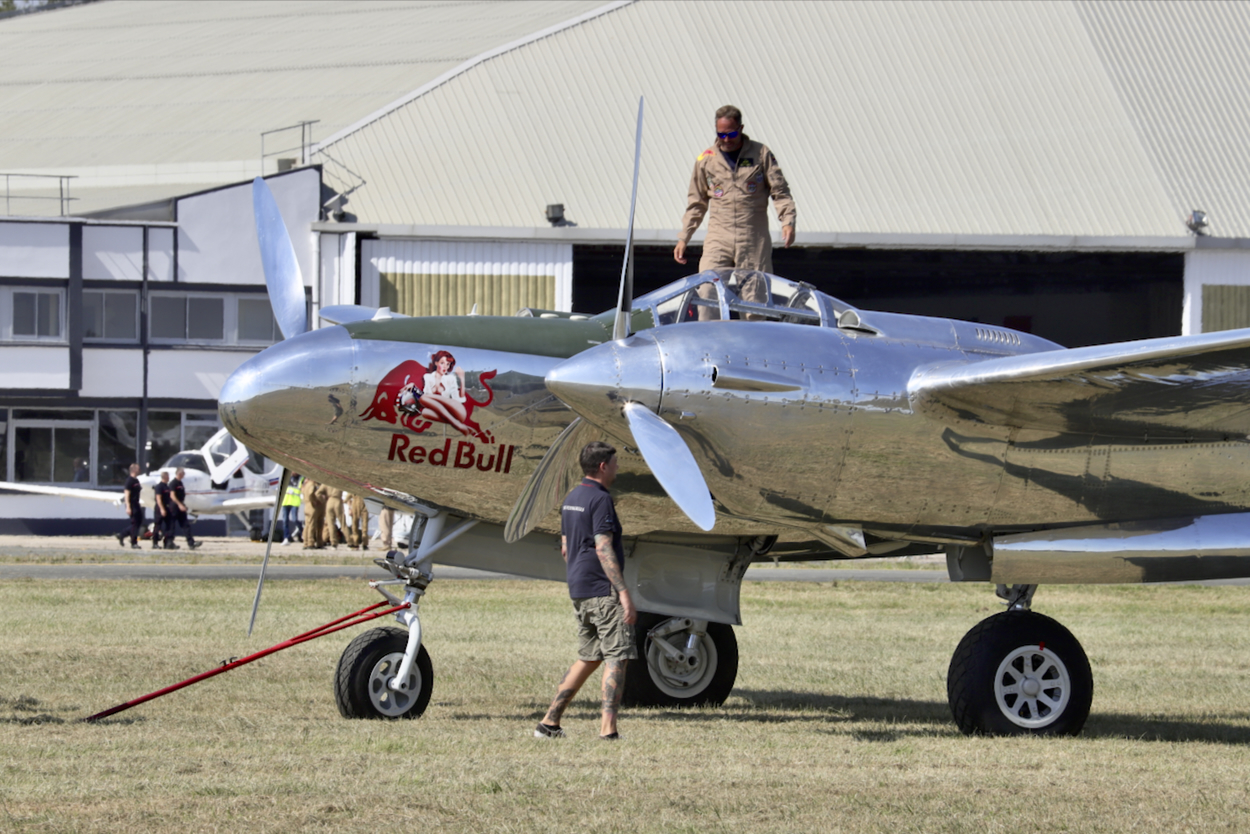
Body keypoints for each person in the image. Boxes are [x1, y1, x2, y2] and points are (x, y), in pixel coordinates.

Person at [535, 441, 637, 741]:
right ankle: (608, 731)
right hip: (602, 588)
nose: (618, 468)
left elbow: (566, 547)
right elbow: (603, 545)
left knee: (589, 656)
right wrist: (623, 592)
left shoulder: (572, 498)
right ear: (603, 466)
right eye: (615, 463)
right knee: (617, 656)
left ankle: (549, 723)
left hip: (578, 587)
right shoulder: (600, 499)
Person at [673, 105, 796, 320]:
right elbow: (697, 202)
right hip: (719, 234)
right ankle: (711, 343)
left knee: (754, 299)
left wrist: (787, 220)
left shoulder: (761, 154)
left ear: (741, 128)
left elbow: (780, 191)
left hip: (752, 236)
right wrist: (684, 237)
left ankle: (752, 345)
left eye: (731, 134)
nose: (726, 139)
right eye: (721, 134)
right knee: (706, 289)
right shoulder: (706, 159)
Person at [169, 468, 201, 550]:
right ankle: (169, 542)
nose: (184, 475)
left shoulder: (180, 483)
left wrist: (183, 505)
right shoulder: (173, 483)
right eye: (183, 473)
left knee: (185, 525)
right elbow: (172, 496)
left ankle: (191, 543)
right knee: (171, 525)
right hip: (175, 506)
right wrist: (179, 505)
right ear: (179, 474)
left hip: (181, 505)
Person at [115, 463, 144, 550]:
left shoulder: (136, 481)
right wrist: (128, 506)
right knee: (135, 523)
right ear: (134, 470)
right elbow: (126, 494)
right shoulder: (129, 481)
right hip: (131, 504)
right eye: (138, 469)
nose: (140, 470)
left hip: (137, 503)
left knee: (139, 522)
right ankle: (133, 543)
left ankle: (122, 534)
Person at [152, 470, 176, 549]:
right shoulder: (159, 487)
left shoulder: (167, 486)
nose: (169, 478)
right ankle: (155, 543)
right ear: (165, 477)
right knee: (158, 526)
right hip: (160, 508)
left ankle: (167, 543)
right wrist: (162, 509)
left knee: (169, 525)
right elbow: (158, 499)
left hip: (167, 507)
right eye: (168, 476)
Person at [302, 477, 326, 550]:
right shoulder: (312, 484)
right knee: (313, 525)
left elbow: (303, 492)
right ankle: (311, 543)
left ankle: (306, 543)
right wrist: (314, 500)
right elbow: (311, 493)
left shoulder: (306, 484)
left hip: (307, 506)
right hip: (312, 507)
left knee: (307, 525)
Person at [281, 473, 303, 545]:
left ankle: (302, 531)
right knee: (285, 520)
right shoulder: (286, 477)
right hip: (285, 501)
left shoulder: (301, 478)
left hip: (295, 502)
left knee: (294, 519)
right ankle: (286, 537)